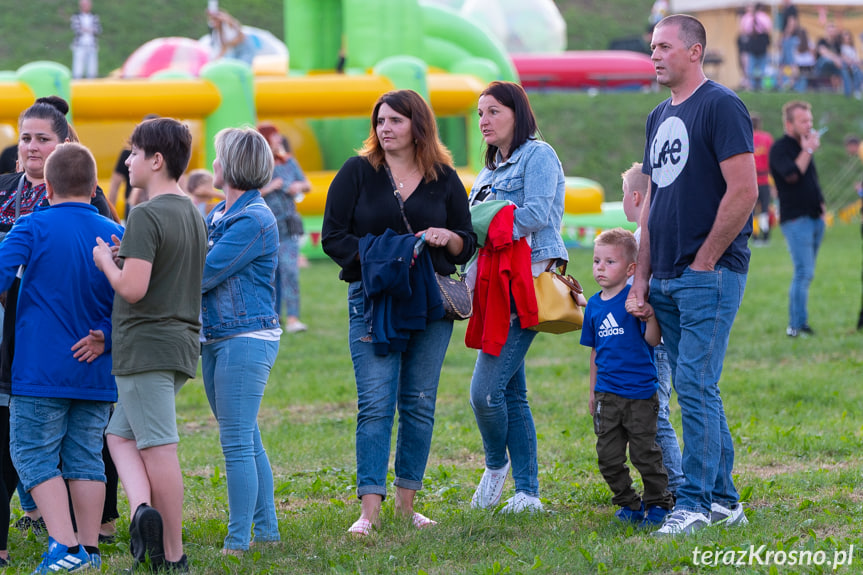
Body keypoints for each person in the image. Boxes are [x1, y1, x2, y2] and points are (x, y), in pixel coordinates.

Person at [322, 89, 476, 535]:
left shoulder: (443, 177)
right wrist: (388, 255)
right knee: (375, 403)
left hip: (429, 301)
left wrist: (447, 238)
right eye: (380, 121)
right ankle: (368, 512)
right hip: (373, 301)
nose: (384, 129)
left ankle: (407, 506)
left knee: (419, 402)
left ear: (418, 126)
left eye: (394, 121)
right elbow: (333, 238)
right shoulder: (357, 172)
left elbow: (466, 241)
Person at [630, 14, 758, 535]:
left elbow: (744, 190)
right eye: (652, 47)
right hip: (665, 277)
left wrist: (706, 259)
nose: (654, 55)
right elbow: (652, 202)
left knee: (696, 385)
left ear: (695, 51)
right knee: (696, 387)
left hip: (709, 273)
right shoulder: (659, 115)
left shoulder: (722, 105)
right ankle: (725, 501)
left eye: (664, 46)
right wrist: (642, 277)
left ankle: (696, 503)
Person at [0, 95, 116, 561]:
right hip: (96, 367)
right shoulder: (116, 231)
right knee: (87, 457)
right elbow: (134, 294)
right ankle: (88, 548)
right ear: (93, 188)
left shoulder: (31, 227)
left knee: (31, 455)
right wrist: (106, 333)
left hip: (39, 368)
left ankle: (64, 546)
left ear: (45, 187)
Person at [93, 117, 207, 572]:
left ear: (156, 160)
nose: (128, 160)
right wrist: (129, 258)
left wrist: (106, 261)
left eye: (135, 153)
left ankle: (173, 554)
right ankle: (144, 514)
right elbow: (164, 273)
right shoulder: (192, 212)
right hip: (180, 343)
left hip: (145, 346)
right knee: (119, 435)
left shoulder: (145, 212)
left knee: (158, 446)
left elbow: (133, 289)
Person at [467, 81, 576, 515]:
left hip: (526, 281)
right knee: (512, 392)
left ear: (517, 113)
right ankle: (527, 493)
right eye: (479, 114)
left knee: (484, 393)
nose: (484, 121)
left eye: (493, 111)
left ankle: (497, 465)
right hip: (492, 286)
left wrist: (484, 227)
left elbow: (538, 213)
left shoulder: (539, 155)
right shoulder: (487, 171)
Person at [201, 128, 282, 554]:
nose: (212, 165)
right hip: (219, 336)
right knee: (246, 437)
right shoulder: (219, 213)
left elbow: (203, 273)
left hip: (245, 337)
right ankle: (266, 533)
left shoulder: (253, 219)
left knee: (235, 442)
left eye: (217, 157)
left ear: (231, 164)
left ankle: (238, 542)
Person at [580, 228, 674, 527]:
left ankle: (659, 502)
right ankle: (629, 504)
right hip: (607, 395)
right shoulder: (594, 305)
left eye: (610, 262)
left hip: (640, 394)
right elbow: (595, 351)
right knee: (608, 457)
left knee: (645, 454)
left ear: (631, 269)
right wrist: (593, 390)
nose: (600, 268)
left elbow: (653, 341)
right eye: (597, 261)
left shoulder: (636, 299)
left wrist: (649, 316)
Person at [620, 163, 683, 497]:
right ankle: (662, 485)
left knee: (655, 415)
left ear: (635, 196)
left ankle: (676, 485)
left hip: (653, 343)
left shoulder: (644, 236)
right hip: (646, 340)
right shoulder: (651, 232)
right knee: (648, 415)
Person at [769, 101, 825, 338]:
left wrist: (821, 204)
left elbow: (810, 179)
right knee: (803, 272)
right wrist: (808, 150)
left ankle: (801, 322)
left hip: (815, 217)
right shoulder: (780, 148)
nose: (809, 125)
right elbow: (792, 175)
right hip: (795, 220)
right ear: (789, 123)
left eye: (810, 121)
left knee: (806, 272)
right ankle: (796, 325)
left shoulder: (804, 145)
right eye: (803, 121)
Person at [257, 124, 312, 333]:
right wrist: (270, 187)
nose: (279, 139)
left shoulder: (289, 162)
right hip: (266, 229)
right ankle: (272, 317)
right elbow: (245, 193)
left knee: (290, 272)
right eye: (274, 136)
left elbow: (307, 184)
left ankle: (293, 318)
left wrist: (298, 186)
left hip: (288, 228)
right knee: (270, 276)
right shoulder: (258, 165)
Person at [751, 114, 775, 245]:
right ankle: (765, 237)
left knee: (752, 210)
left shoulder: (746, 137)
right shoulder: (767, 138)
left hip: (750, 179)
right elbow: (772, 160)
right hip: (765, 179)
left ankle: (754, 237)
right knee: (765, 209)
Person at [738, 3, 772, 91]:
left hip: (758, 43)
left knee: (759, 67)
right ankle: (755, 85)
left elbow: (767, 29)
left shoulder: (761, 17)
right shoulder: (749, 17)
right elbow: (744, 30)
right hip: (754, 44)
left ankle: (757, 86)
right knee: (754, 67)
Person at [70, 0, 101, 79]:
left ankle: (91, 85)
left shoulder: (94, 16)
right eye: (84, 5)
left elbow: (98, 30)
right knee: (78, 68)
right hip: (80, 45)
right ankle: (77, 84)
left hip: (92, 44)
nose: (85, 6)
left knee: (92, 68)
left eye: (87, 4)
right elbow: (77, 29)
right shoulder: (76, 16)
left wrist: (86, 29)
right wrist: (90, 29)